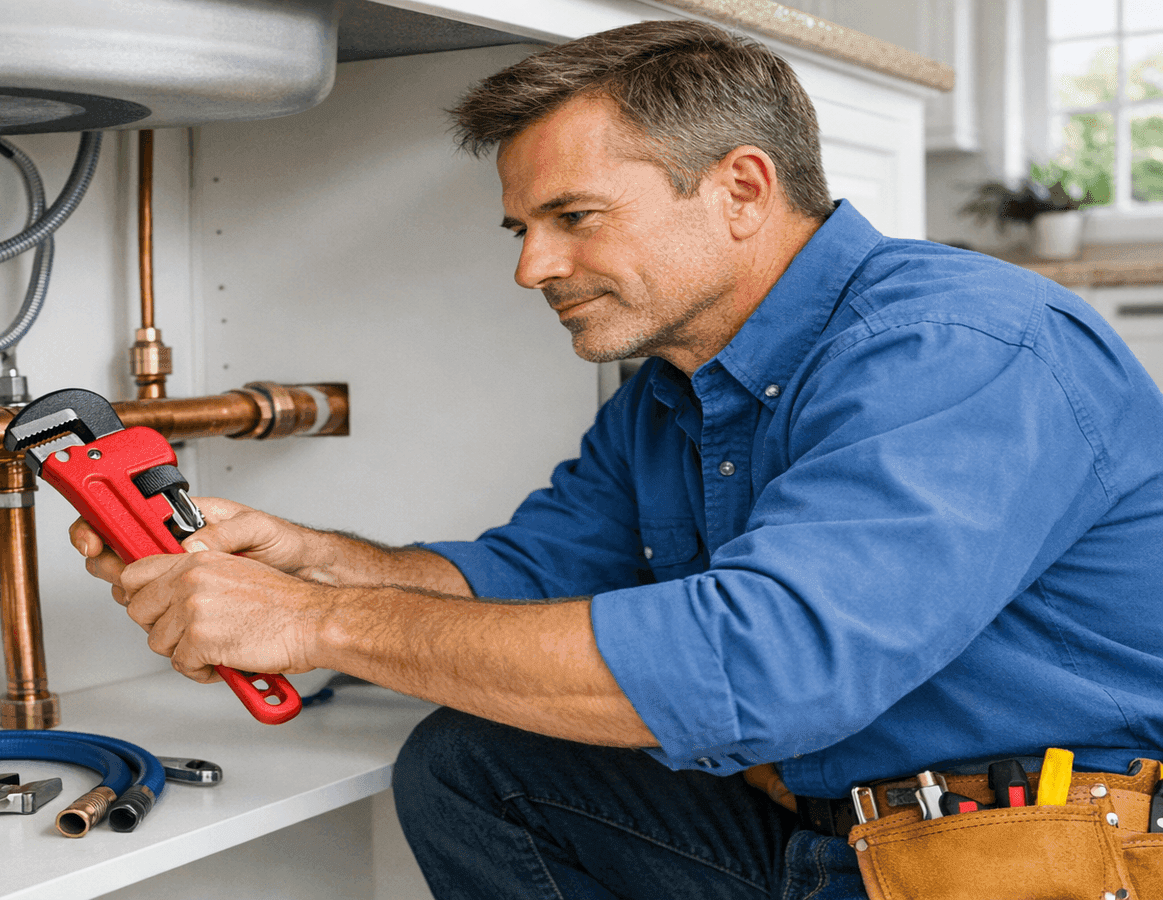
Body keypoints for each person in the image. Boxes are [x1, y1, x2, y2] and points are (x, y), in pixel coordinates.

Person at [69, 19, 1163, 900]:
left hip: (1037, 862)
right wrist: (307, 564)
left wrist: (310, 626)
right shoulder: (672, 390)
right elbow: (528, 578)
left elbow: (764, 666)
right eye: (520, 230)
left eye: (573, 216)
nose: (533, 266)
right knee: (478, 769)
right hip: (829, 844)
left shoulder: (959, 349)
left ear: (741, 188)